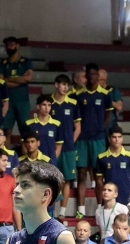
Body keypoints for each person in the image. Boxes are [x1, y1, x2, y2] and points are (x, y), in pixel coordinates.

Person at [75, 63, 113, 212]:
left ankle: (100, 207)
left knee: (98, 175)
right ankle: (81, 209)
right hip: (82, 140)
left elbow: (109, 113)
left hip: (98, 139)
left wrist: (101, 128)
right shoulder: (79, 95)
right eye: (89, 74)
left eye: (94, 74)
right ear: (86, 77)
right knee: (82, 173)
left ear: (98, 76)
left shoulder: (105, 94)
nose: (91, 77)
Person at [50, 75, 81, 214]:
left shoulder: (73, 103)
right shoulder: (49, 102)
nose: (65, 88)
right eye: (63, 84)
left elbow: (78, 127)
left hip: (68, 148)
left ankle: (62, 212)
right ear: (56, 85)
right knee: (52, 179)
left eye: (67, 85)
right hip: (52, 147)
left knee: (67, 179)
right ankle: (51, 209)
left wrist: (70, 142)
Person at [0, 37, 34, 138]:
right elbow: (1, 82)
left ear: (17, 46)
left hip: (23, 101)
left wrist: (9, 78)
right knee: (6, 132)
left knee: (25, 131)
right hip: (7, 101)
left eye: (11, 45)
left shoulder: (26, 61)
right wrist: (21, 81)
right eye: (7, 45)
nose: (9, 47)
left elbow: (28, 78)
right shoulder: (2, 64)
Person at [95, 127, 130, 206]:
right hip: (110, 198)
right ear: (109, 139)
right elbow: (99, 180)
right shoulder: (101, 157)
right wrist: (106, 191)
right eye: (114, 137)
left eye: (119, 137)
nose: (117, 140)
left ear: (122, 138)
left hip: (127, 196)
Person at [26, 95, 63, 169]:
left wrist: (52, 161)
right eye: (44, 105)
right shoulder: (29, 124)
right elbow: (25, 146)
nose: (47, 108)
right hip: (34, 164)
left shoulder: (57, 124)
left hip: (51, 164)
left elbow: (58, 147)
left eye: (49, 105)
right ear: (38, 106)